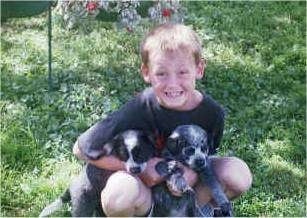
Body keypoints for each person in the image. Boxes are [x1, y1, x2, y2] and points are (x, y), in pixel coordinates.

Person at [73, 23, 252, 216]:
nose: (172, 83)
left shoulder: (212, 114)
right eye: (161, 73)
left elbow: (206, 154)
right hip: (145, 194)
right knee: (119, 194)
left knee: (238, 174)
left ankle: (191, 211)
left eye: (182, 72)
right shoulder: (139, 108)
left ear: (199, 69)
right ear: (146, 72)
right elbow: (80, 148)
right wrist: (142, 168)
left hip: (184, 186)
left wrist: (190, 171)